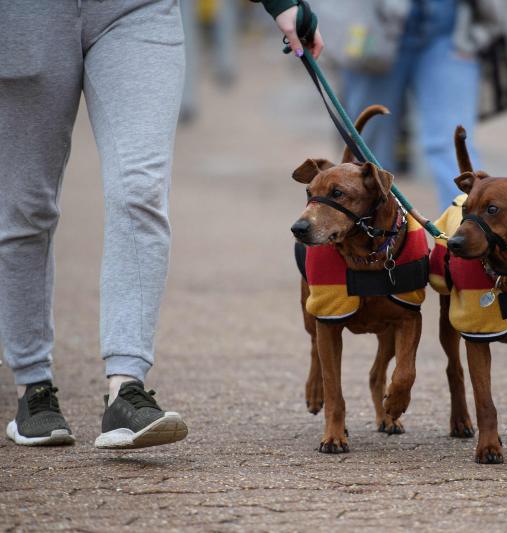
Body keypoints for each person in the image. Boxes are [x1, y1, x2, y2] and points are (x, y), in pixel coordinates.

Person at [0, 0, 322, 448]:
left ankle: (126, 387)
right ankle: (32, 385)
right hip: (23, 18)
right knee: (25, 208)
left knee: (141, 191)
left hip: (135, 11)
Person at [338, 0, 507, 209]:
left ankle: (472, 227)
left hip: (451, 33)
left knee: (454, 142)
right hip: (371, 27)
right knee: (367, 145)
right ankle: (356, 228)